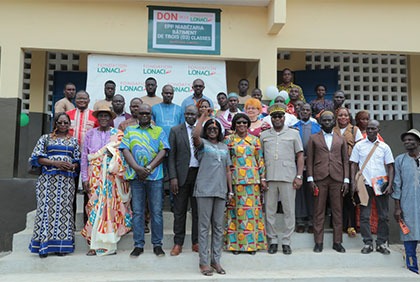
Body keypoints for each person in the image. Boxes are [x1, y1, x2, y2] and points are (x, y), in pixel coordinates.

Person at [81, 106, 132, 256]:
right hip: (94, 176)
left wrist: (112, 163)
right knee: (94, 208)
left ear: (111, 119)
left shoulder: (118, 135)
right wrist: (84, 178)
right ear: (97, 118)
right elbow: (85, 157)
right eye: (101, 116)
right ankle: (93, 243)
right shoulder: (90, 134)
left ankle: (110, 244)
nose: (103, 118)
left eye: (106, 116)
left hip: (112, 177)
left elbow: (122, 157)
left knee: (111, 209)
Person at [120, 104, 170, 257]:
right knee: (138, 212)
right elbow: (125, 149)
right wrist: (137, 168)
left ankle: (157, 245)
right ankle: (138, 245)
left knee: (156, 212)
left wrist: (148, 168)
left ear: (151, 115)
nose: (144, 116)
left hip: (155, 177)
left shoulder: (159, 130)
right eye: (141, 113)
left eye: (147, 113)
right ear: (137, 114)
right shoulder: (129, 130)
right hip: (136, 177)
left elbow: (164, 151)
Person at [28, 112, 80, 258]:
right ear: (55, 123)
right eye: (60, 122)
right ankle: (43, 246)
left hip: (66, 183)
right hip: (48, 181)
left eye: (66, 123)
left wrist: (71, 166)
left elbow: (77, 161)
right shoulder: (45, 138)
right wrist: (55, 163)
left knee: (64, 212)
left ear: (69, 125)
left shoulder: (74, 142)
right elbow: (36, 158)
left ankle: (61, 247)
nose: (63, 125)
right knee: (46, 211)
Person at [260, 103, 304, 255]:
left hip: (288, 177)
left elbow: (300, 155)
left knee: (288, 211)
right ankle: (272, 240)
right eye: (274, 116)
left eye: (280, 116)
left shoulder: (293, 133)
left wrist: (299, 176)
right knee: (270, 210)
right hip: (269, 177)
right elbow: (260, 158)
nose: (277, 119)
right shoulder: (264, 135)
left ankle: (286, 241)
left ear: (284, 117)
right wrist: (262, 177)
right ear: (270, 118)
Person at [192, 112, 232, 276]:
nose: (213, 130)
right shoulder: (202, 144)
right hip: (204, 190)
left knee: (218, 227)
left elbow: (228, 170)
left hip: (221, 190)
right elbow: (195, 134)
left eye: (215, 128)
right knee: (203, 227)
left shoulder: (224, 147)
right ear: (206, 130)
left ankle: (216, 260)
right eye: (209, 128)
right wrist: (203, 117)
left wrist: (230, 190)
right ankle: (203, 262)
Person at [306, 111, 349, 253]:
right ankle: (318, 242)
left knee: (338, 211)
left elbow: (345, 161)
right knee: (319, 211)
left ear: (334, 121)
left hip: (337, 178)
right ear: (320, 122)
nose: (327, 122)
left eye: (330, 120)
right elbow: (310, 160)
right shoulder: (313, 138)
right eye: (324, 120)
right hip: (319, 178)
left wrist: (346, 180)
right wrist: (310, 178)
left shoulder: (341, 139)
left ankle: (338, 242)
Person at [224, 113, 267, 255]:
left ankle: (252, 245)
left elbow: (260, 160)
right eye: (238, 123)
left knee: (252, 215)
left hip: (252, 182)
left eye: (244, 122)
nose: (241, 125)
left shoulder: (255, 140)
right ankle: (235, 245)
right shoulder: (228, 140)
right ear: (234, 125)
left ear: (248, 125)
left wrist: (262, 178)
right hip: (235, 182)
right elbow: (226, 162)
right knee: (236, 214)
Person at [350, 120, 394, 255]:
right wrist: (353, 182)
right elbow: (353, 164)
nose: (370, 131)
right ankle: (368, 243)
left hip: (381, 183)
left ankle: (381, 243)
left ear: (378, 130)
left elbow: (390, 166)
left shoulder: (384, 147)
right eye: (368, 128)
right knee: (364, 215)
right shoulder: (359, 146)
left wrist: (390, 184)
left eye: (373, 129)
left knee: (384, 216)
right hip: (365, 184)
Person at [168, 105, 200, 256]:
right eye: (187, 113)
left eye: (192, 114)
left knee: (198, 212)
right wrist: (173, 177)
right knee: (179, 212)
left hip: (199, 176)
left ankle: (196, 242)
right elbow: (171, 156)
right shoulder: (175, 130)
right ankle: (178, 243)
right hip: (181, 176)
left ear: (197, 114)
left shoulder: (202, 129)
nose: (190, 116)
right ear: (184, 115)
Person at [393, 129, 420, 274]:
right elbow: (397, 184)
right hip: (407, 204)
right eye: (406, 140)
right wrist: (397, 207)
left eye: (411, 139)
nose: (408, 142)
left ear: (418, 142)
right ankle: (412, 269)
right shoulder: (400, 160)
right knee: (409, 237)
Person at [333, 107, 363, 238]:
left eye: (345, 115)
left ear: (349, 117)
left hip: (351, 165)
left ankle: (350, 225)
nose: (343, 118)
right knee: (336, 196)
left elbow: (361, 148)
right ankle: (338, 224)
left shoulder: (354, 130)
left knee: (350, 196)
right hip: (335, 165)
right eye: (340, 115)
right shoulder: (332, 129)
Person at [293, 103, 321, 233]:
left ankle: (311, 221)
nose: (305, 112)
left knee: (311, 193)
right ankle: (299, 221)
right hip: (296, 166)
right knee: (299, 193)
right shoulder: (293, 128)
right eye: (302, 110)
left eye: (307, 110)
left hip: (313, 166)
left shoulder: (317, 127)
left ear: (311, 113)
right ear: (299, 112)